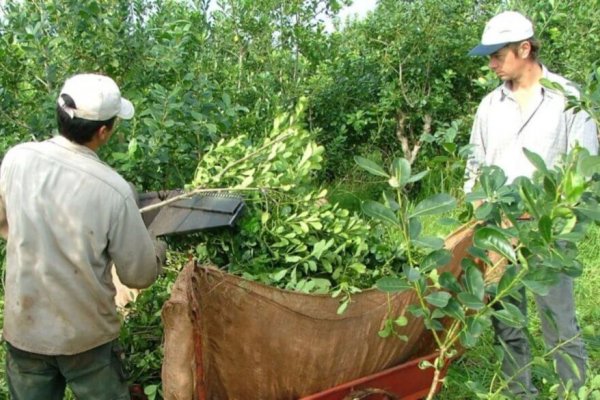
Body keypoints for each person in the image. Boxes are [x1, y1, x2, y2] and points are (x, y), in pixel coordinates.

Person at [0, 73, 166, 399]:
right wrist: (156, 249)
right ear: (103, 131)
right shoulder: (114, 190)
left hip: (26, 329)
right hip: (86, 340)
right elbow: (139, 275)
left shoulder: (17, 159)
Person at [464, 11, 598, 399]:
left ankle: (573, 392)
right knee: (507, 321)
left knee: (559, 321)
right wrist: (482, 216)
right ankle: (520, 394)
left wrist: (550, 217)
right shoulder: (489, 106)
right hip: (498, 231)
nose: (491, 63)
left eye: (498, 55)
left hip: (548, 232)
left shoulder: (568, 99)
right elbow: (475, 165)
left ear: (525, 49)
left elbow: (584, 169)